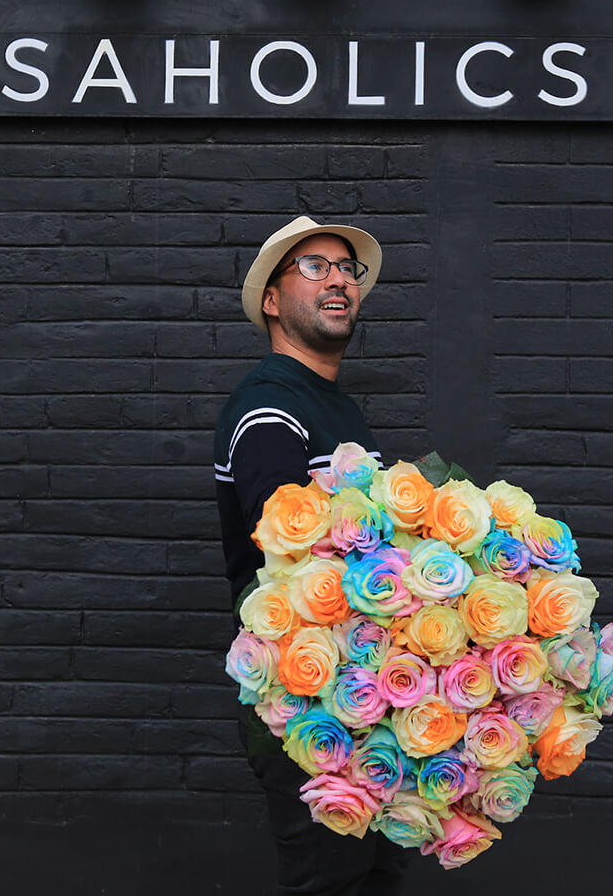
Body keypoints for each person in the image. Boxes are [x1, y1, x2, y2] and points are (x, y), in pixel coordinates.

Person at [214, 216, 411, 896]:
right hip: (303, 701)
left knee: (371, 878)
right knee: (328, 881)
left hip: (360, 694)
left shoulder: (334, 408)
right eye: (313, 266)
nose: (338, 279)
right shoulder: (270, 405)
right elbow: (286, 551)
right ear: (271, 300)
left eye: (346, 269)